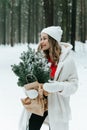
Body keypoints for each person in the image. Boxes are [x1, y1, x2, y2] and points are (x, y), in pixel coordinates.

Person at [19, 26, 78, 130]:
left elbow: (74, 85)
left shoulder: (67, 61)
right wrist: (29, 91)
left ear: (53, 40)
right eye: (41, 39)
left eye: (45, 38)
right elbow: (28, 80)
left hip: (57, 105)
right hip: (38, 103)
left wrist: (59, 87)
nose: (41, 41)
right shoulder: (38, 58)